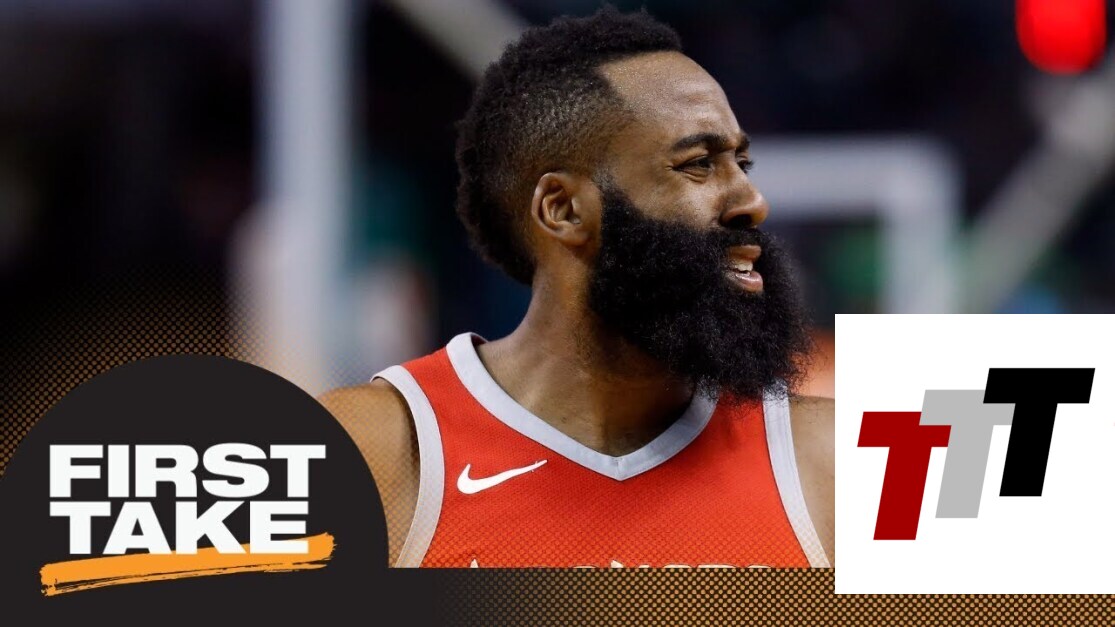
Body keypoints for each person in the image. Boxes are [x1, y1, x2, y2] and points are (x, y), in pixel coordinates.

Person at [321, 7, 834, 568]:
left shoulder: (844, 459)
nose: (753, 202)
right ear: (563, 209)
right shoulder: (359, 453)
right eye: (697, 164)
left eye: (741, 163)